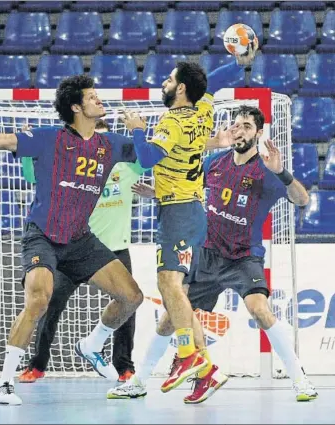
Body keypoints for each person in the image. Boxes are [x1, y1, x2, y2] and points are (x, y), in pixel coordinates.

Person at [0, 75, 145, 406]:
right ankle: (5, 383)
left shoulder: (111, 145)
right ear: (77, 107)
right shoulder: (49, 139)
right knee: (39, 300)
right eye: (92, 96)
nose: (99, 100)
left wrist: (214, 143)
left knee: (132, 297)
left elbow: (156, 154)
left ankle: (92, 344)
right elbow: (1, 139)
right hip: (44, 236)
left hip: (80, 239)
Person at [108, 105, 318, 404]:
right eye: (236, 124)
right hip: (207, 253)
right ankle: (140, 381)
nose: (239, 130)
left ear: (258, 133)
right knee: (170, 318)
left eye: (247, 125)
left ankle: (301, 380)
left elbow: (302, 200)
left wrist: (282, 173)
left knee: (259, 309)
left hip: (244, 256)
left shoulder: (267, 170)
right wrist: (155, 192)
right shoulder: (215, 162)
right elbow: (187, 187)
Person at [118, 43, 258, 393]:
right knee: (177, 290)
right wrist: (239, 64)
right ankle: (205, 369)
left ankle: (188, 355)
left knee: (169, 285)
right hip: (190, 208)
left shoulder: (170, 120)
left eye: (169, 79)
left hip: (179, 210)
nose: (164, 83)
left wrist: (137, 127)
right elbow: (214, 84)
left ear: (180, 88)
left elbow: (148, 158)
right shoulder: (205, 109)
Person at [18, 119, 146, 383]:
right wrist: (28, 153)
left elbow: (157, 155)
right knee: (49, 306)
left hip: (115, 248)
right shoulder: (72, 169)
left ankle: (124, 367)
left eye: (102, 141)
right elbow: (32, 176)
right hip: (75, 246)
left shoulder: (127, 167)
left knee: (129, 304)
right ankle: (37, 365)